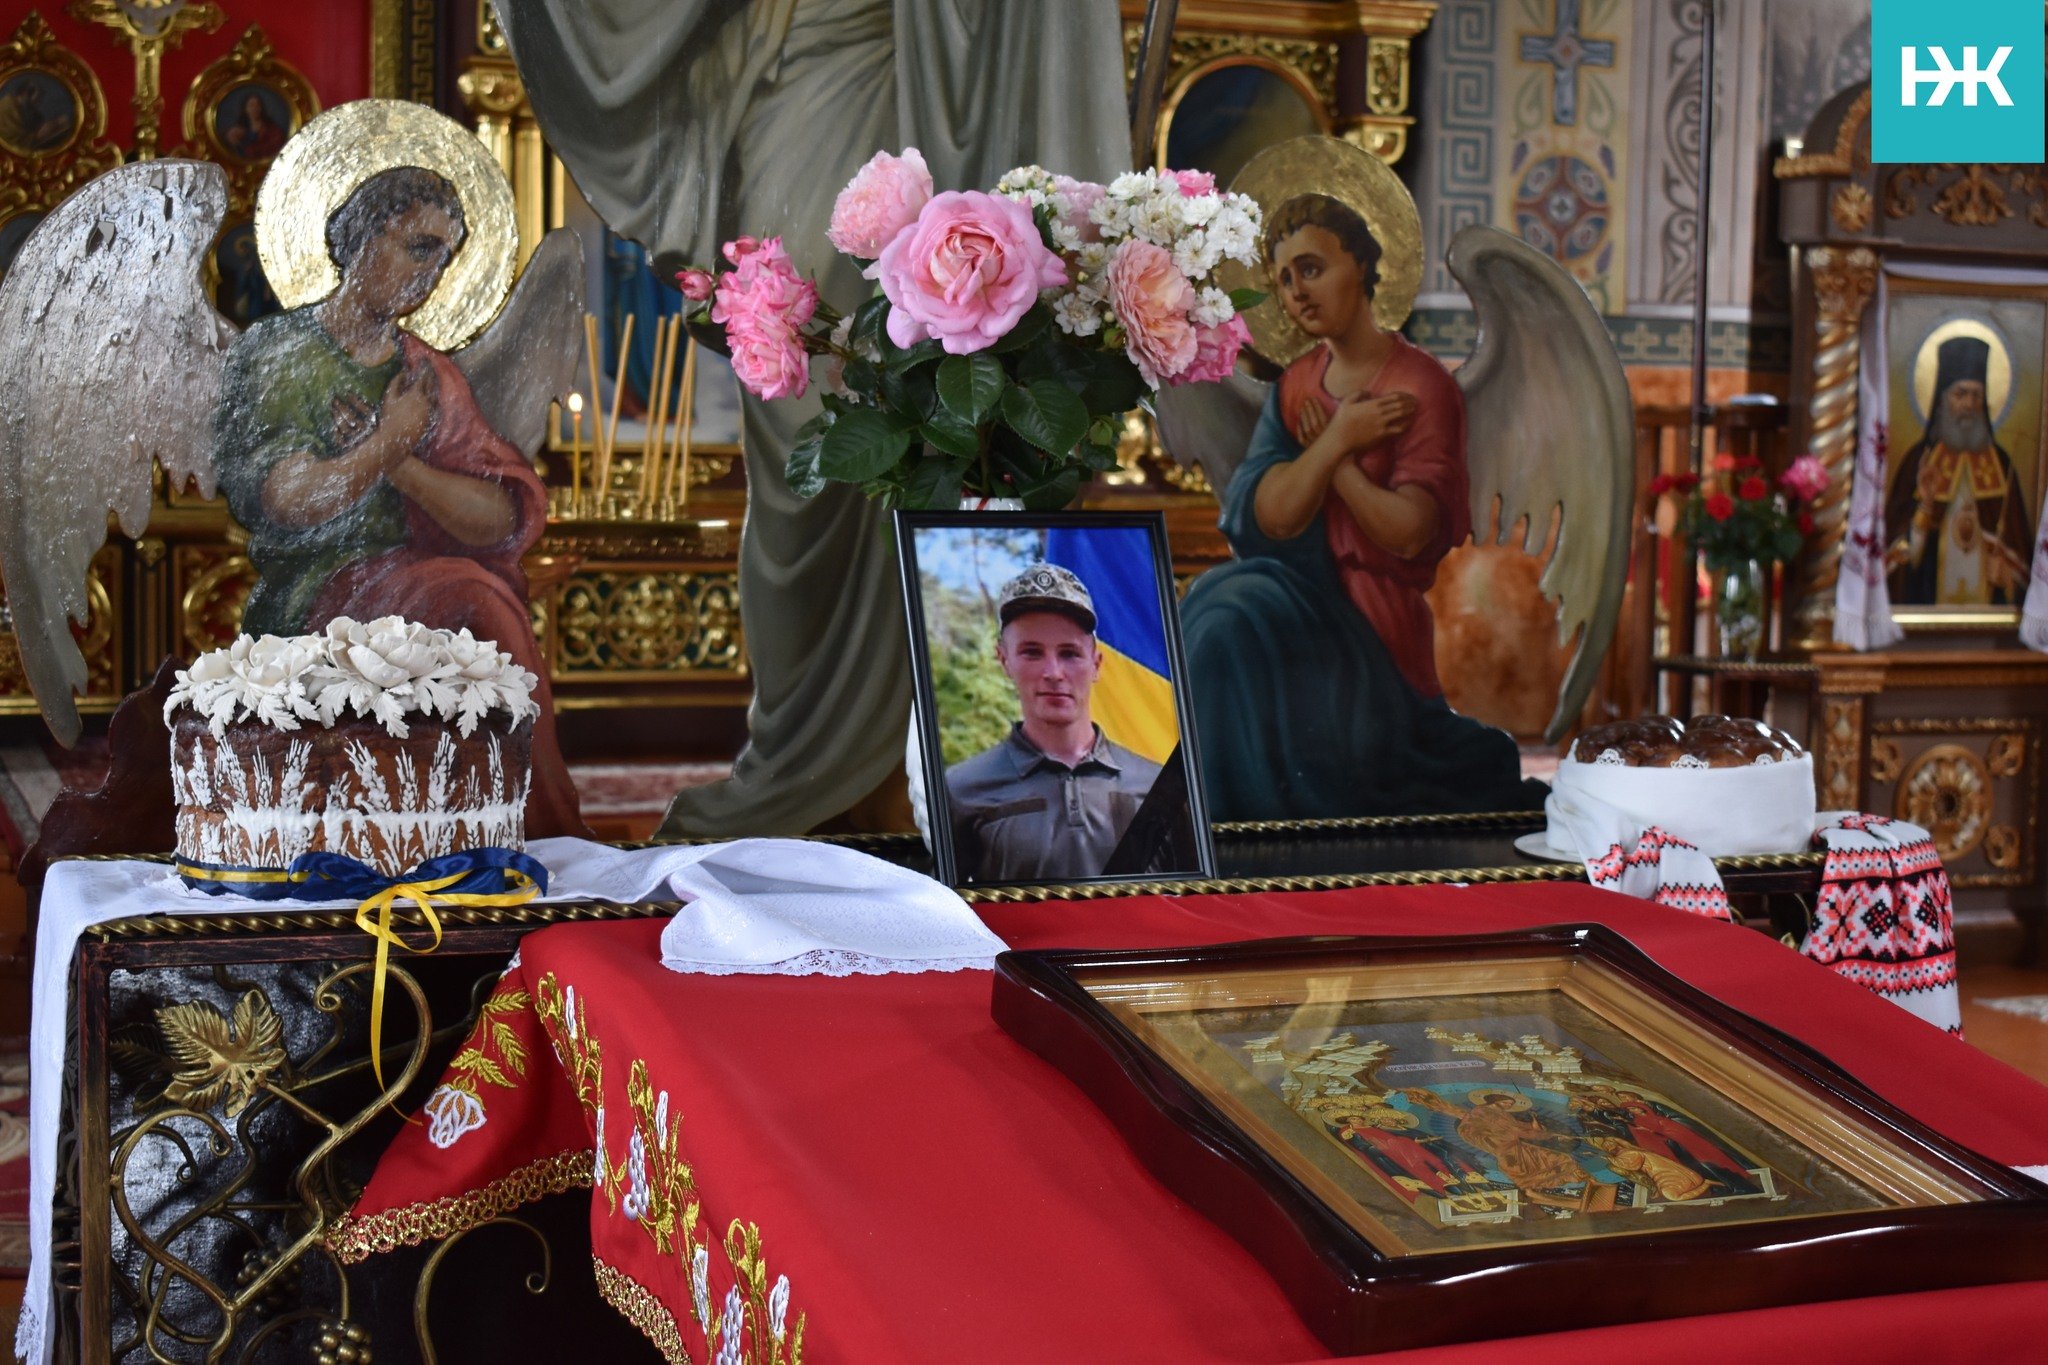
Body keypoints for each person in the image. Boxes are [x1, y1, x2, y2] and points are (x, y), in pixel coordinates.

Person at [211, 165, 586, 838]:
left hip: (414, 582)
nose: (429, 274)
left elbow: (498, 518)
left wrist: (402, 464)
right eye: (419, 247)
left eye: (443, 259)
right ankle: (539, 826)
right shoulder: (281, 354)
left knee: (479, 596)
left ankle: (500, 822)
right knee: (476, 600)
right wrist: (388, 443)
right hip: (316, 592)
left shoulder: (425, 372)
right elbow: (289, 499)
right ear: (363, 237)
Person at [1178, 193, 1539, 820]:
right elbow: (1265, 520)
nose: (1297, 292)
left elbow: (1409, 531)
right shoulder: (1295, 385)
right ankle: (1224, 826)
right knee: (1214, 602)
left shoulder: (1420, 385)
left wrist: (1336, 464)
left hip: (1376, 629)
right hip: (1296, 602)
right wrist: (1337, 441)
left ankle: (1255, 827)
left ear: (1364, 266)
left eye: (1312, 268)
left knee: (1231, 615)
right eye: (1284, 280)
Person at [944, 564, 1160, 883]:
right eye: (1032, 653)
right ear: (1004, 660)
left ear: (1096, 664)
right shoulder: (960, 790)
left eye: (1070, 653)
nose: (1054, 673)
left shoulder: (1156, 784)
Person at [1885, 335, 2033, 607]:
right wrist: (1925, 508)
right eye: (1960, 394)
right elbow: (1897, 559)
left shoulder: (2001, 465)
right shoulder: (1919, 462)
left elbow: (2023, 559)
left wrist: (2008, 577)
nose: (1969, 404)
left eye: (1977, 395)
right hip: (1926, 613)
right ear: (1942, 400)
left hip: (1992, 622)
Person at [223, 91, 287, 161]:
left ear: (261, 108)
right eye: (251, 105)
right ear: (245, 109)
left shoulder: (273, 130)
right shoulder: (238, 130)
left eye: (257, 105)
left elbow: (275, 148)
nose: (255, 108)